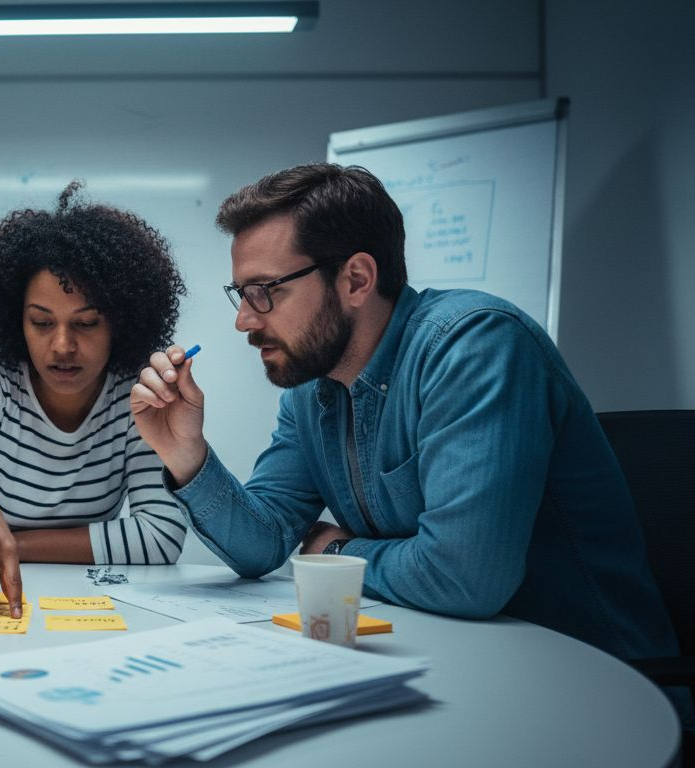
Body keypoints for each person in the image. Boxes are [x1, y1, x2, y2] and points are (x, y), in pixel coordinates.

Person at [131, 163, 681, 668]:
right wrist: (186, 453)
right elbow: (261, 546)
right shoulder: (312, 387)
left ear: (356, 280)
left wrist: (336, 550)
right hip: (451, 660)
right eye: (241, 294)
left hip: (588, 676)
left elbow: (465, 578)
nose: (245, 321)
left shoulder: (473, 346)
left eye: (264, 293)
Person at [0, 182, 188, 618]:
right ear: (17, 320)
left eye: (87, 323)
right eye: (41, 322)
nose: (62, 346)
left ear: (120, 323)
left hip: (76, 597)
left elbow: (161, 534)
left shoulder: (137, 398)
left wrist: (11, 544)